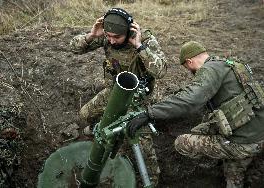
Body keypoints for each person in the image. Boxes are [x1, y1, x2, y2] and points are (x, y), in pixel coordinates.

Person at [127, 41, 264, 188]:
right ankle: (238, 170)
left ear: (189, 61)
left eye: (187, 68)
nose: (190, 72)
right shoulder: (229, 64)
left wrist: (150, 113)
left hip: (243, 143)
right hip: (258, 133)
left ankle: (208, 167)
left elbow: (191, 99)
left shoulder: (209, 70)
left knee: (182, 143)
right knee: (233, 175)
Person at [70, 8, 167, 186]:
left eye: (116, 37)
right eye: (109, 36)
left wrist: (140, 47)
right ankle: (106, 131)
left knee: (143, 147)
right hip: (113, 91)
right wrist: (92, 35)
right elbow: (73, 48)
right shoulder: (107, 36)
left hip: (137, 99)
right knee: (85, 114)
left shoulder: (143, 39)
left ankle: (152, 179)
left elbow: (161, 70)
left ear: (128, 32)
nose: (112, 41)